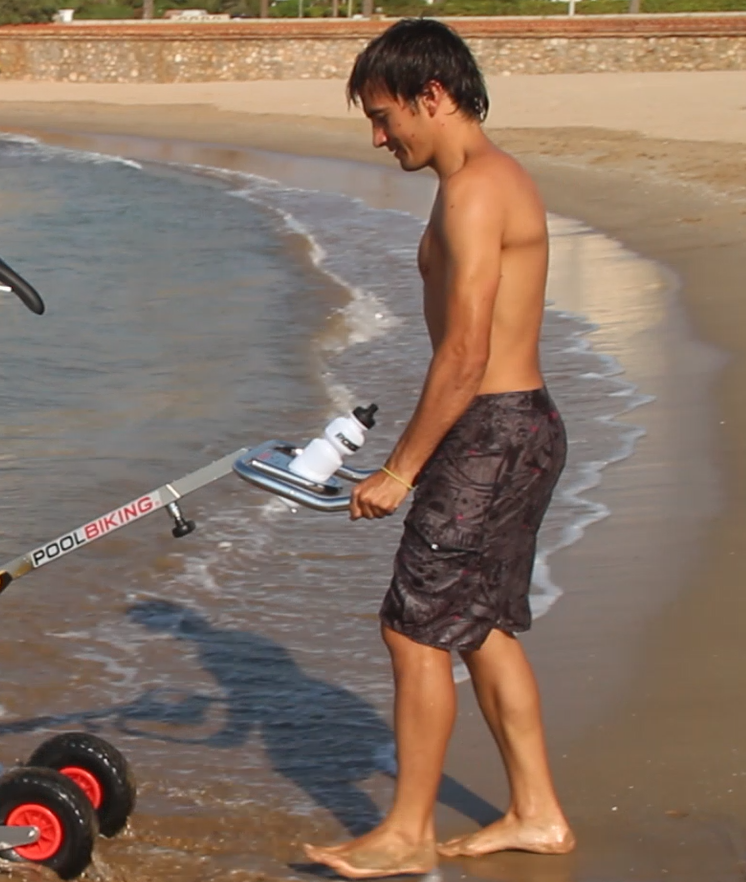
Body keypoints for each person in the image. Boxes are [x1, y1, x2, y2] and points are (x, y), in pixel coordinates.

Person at [301, 19, 575, 880]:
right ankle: (537, 814)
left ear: (435, 95)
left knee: (413, 629)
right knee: (479, 627)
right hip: (510, 424)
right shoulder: (472, 182)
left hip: (491, 427)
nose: (380, 137)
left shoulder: (476, 189)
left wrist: (400, 470)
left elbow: (464, 352)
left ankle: (408, 831)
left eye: (386, 117)